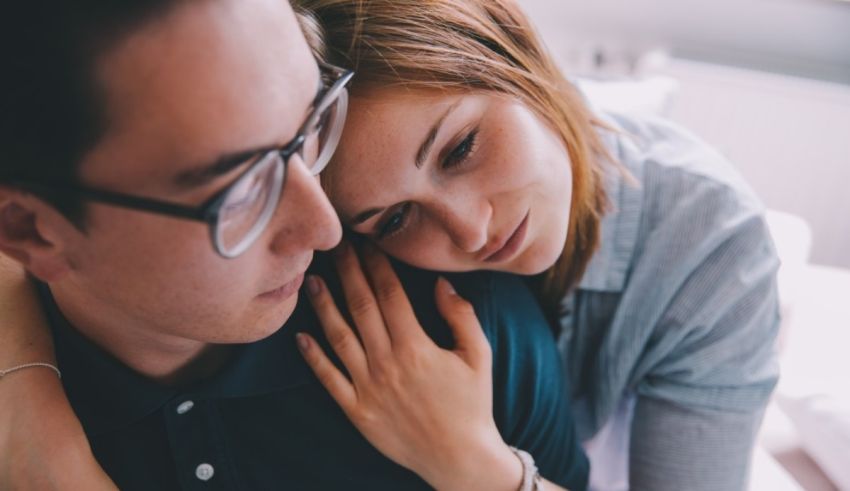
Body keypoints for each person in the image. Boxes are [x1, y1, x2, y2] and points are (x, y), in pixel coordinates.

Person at [4, 0, 781, 489]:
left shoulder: (695, 250)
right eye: (242, 190)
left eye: (462, 147)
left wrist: (479, 466)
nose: (325, 232)